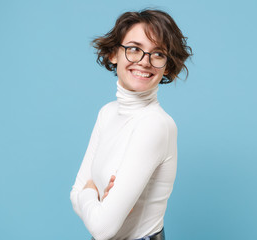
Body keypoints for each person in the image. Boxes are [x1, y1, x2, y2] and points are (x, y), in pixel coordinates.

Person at [70, 9, 192, 240]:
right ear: (114, 54)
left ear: (166, 66)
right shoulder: (107, 113)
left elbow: (102, 228)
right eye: (134, 49)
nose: (144, 62)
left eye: (157, 54)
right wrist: (93, 198)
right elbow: (73, 194)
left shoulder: (155, 125)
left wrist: (89, 192)